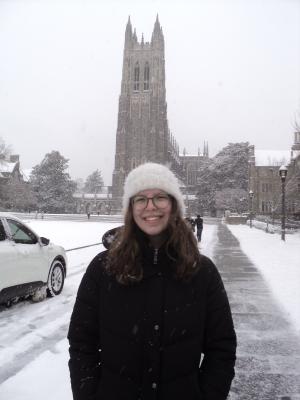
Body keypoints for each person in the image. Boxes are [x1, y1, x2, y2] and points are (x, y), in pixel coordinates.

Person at [68, 162, 236, 400]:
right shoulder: (103, 268)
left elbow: (222, 348)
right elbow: (81, 342)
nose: (150, 206)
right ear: (130, 208)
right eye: (140, 199)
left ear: (174, 205)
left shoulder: (203, 271)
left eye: (160, 197)